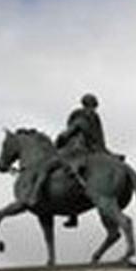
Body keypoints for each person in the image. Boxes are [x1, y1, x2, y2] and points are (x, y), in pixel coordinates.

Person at [27, 93, 115, 227]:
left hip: (75, 150)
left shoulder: (80, 115)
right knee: (72, 179)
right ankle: (73, 216)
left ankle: (34, 194)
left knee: (47, 166)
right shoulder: (95, 117)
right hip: (91, 151)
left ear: (83, 103)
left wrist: (60, 138)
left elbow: (70, 132)